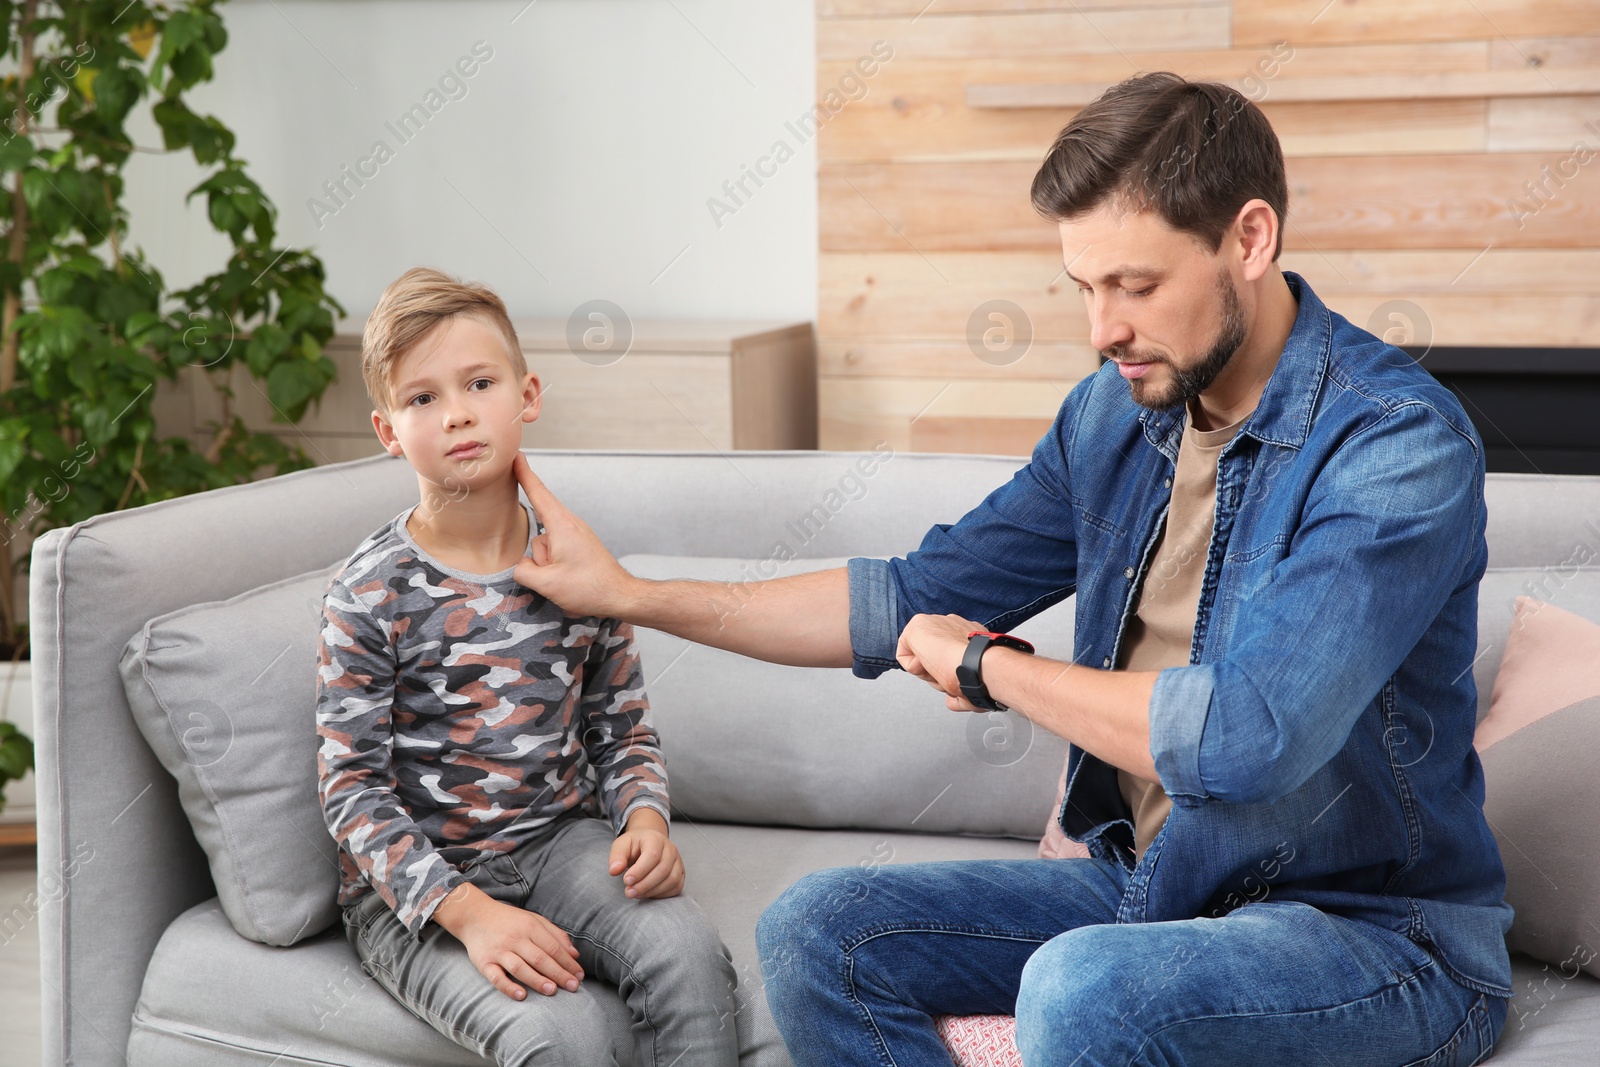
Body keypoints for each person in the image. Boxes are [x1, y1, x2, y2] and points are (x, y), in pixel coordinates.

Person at [504, 72, 1514, 1066]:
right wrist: (628, 593)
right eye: (1085, 286)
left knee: (1082, 987)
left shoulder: (1395, 443)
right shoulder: (1114, 414)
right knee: (819, 928)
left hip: (1378, 938)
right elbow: (903, 599)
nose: (1101, 329)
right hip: (1156, 889)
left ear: (1249, 239)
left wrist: (992, 669)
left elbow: (1249, 735)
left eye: (1137, 285)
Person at [314, 267, 740, 1067]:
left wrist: (644, 818)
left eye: (479, 382)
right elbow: (351, 790)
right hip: (416, 891)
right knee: (555, 1039)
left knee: (689, 958)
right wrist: (469, 914)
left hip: (560, 842)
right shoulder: (369, 591)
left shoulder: (576, 565)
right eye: (423, 398)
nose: (459, 413)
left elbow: (621, 727)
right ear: (387, 431)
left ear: (528, 394)